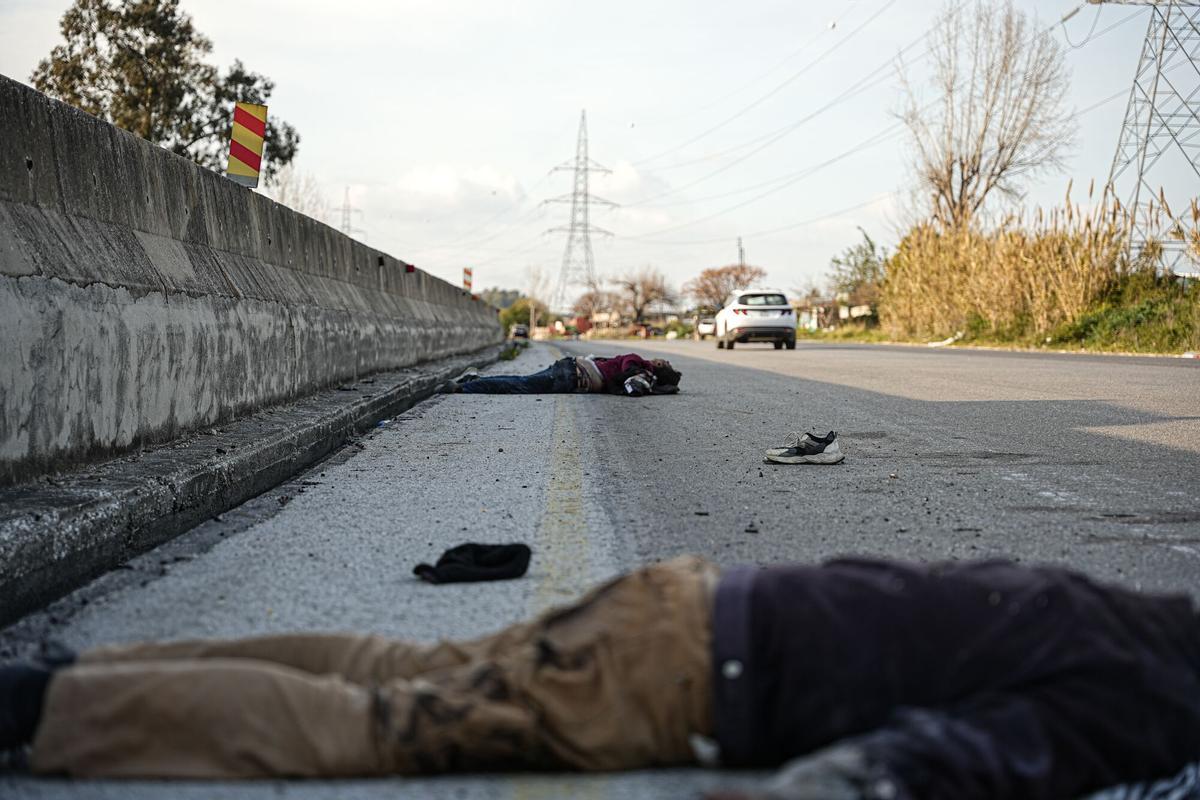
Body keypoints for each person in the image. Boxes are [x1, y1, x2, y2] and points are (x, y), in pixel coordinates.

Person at [2, 555, 1198, 800]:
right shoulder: (1162, 698)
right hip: (680, 680)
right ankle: (47, 707)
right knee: (380, 724)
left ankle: (86, 668)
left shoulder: (1122, 615)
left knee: (399, 663)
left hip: (682, 602)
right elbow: (924, 767)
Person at [441, 353, 681, 396]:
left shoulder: (643, 369)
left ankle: (472, 382)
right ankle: (466, 387)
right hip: (572, 373)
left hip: (571, 373)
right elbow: (628, 369)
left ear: (659, 368)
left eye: (664, 363)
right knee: (520, 385)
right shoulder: (638, 364)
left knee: (520, 383)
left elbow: (628, 376)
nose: (661, 360)